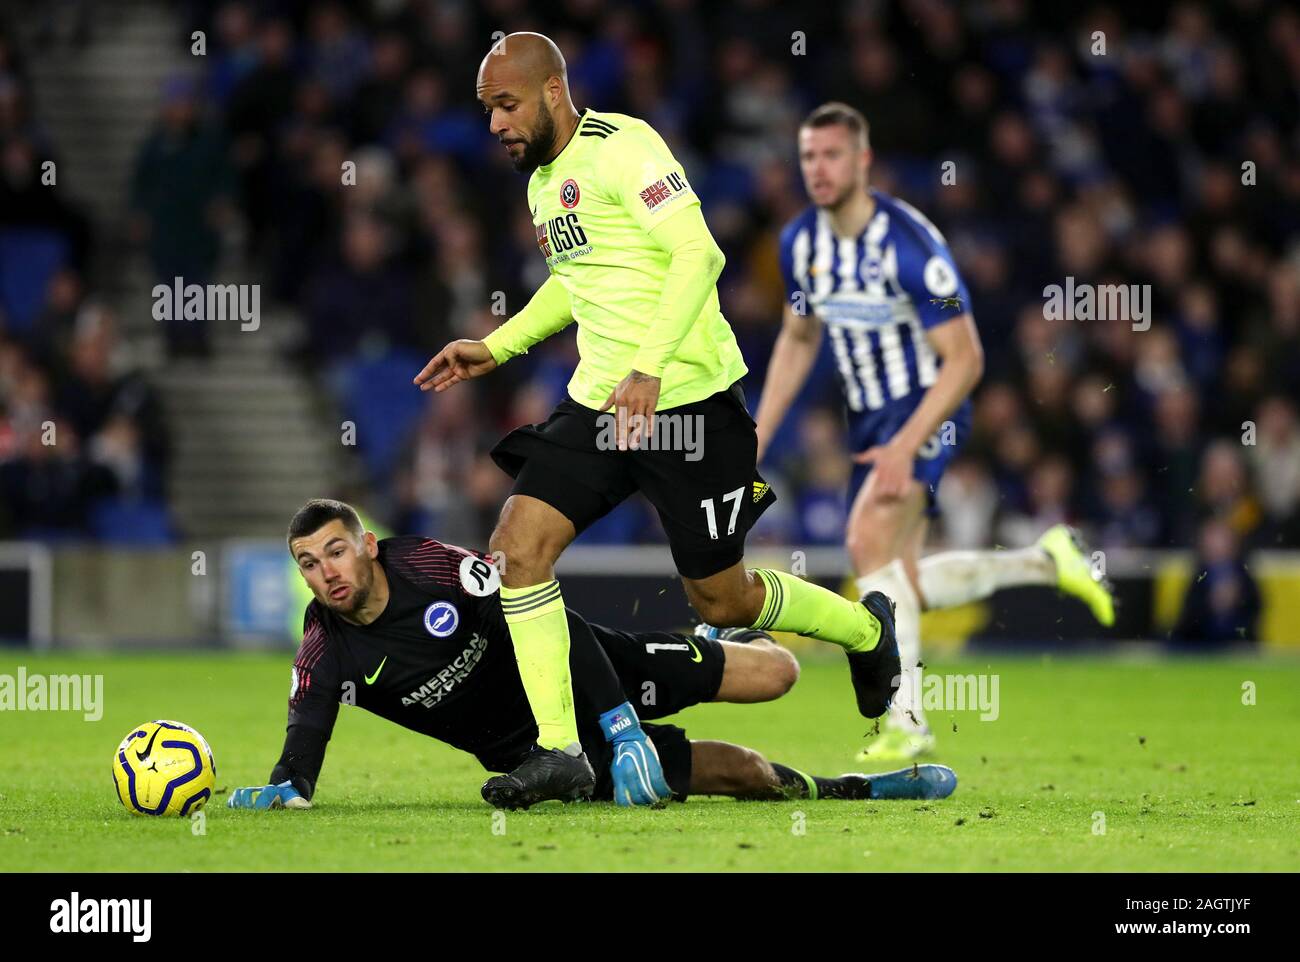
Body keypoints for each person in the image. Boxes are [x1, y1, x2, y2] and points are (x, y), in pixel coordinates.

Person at [412, 36, 901, 804]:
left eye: (506, 105)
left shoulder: (626, 147)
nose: (496, 124)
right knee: (517, 548)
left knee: (722, 600)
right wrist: (498, 346)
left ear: (550, 93)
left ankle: (867, 631)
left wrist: (649, 367)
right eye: (486, 111)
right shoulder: (544, 183)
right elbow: (578, 283)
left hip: (691, 407)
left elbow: (698, 256)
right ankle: (560, 751)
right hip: (604, 407)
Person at [755, 103, 1115, 760]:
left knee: (865, 545)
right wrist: (758, 432)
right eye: (808, 156)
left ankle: (907, 722)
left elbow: (968, 359)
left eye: (833, 155)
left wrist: (903, 443)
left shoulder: (909, 244)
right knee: (902, 582)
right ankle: (1047, 560)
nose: (819, 168)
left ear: (863, 162)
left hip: (929, 406)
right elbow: (799, 337)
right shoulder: (800, 243)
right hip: (870, 419)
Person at [228, 499, 956, 810]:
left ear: (364, 545)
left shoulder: (430, 564)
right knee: (739, 773)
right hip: (541, 751)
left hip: (591, 665)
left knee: (779, 674)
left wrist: (618, 722)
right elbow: (305, 740)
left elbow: (548, 618)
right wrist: (285, 788)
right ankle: (859, 790)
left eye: (334, 551)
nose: (325, 572)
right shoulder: (325, 648)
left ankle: (824, 632)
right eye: (307, 562)